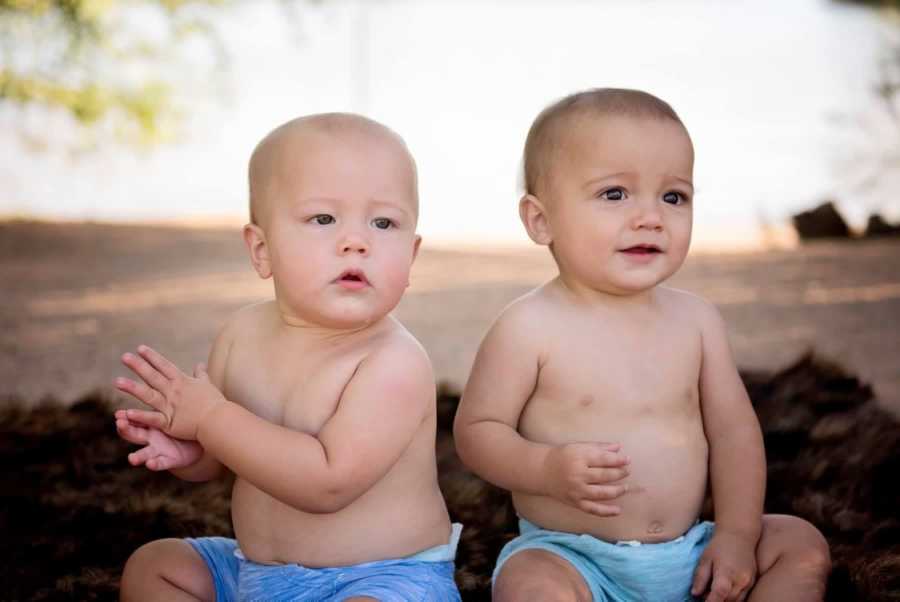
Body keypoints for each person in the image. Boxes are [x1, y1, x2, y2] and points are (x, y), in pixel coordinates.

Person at [453, 88, 831, 602]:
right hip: (574, 556)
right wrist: (543, 468)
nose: (651, 217)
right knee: (529, 585)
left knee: (800, 544)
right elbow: (477, 432)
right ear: (540, 220)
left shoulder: (696, 320)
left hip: (692, 549)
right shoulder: (528, 326)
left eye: (673, 197)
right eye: (615, 194)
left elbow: (735, 433)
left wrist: (736, 536)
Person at [113, 112, 462, 601]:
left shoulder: (393, 362)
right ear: (262, 250)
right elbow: (230, 454)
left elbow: (326, 483)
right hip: (257, 572)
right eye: (323, 219)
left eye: (384, 222)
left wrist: (210, 416)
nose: (356, 241)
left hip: (379, 578)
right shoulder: (241, 334)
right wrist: (191, 451)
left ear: (413, 255)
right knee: (156, 567)